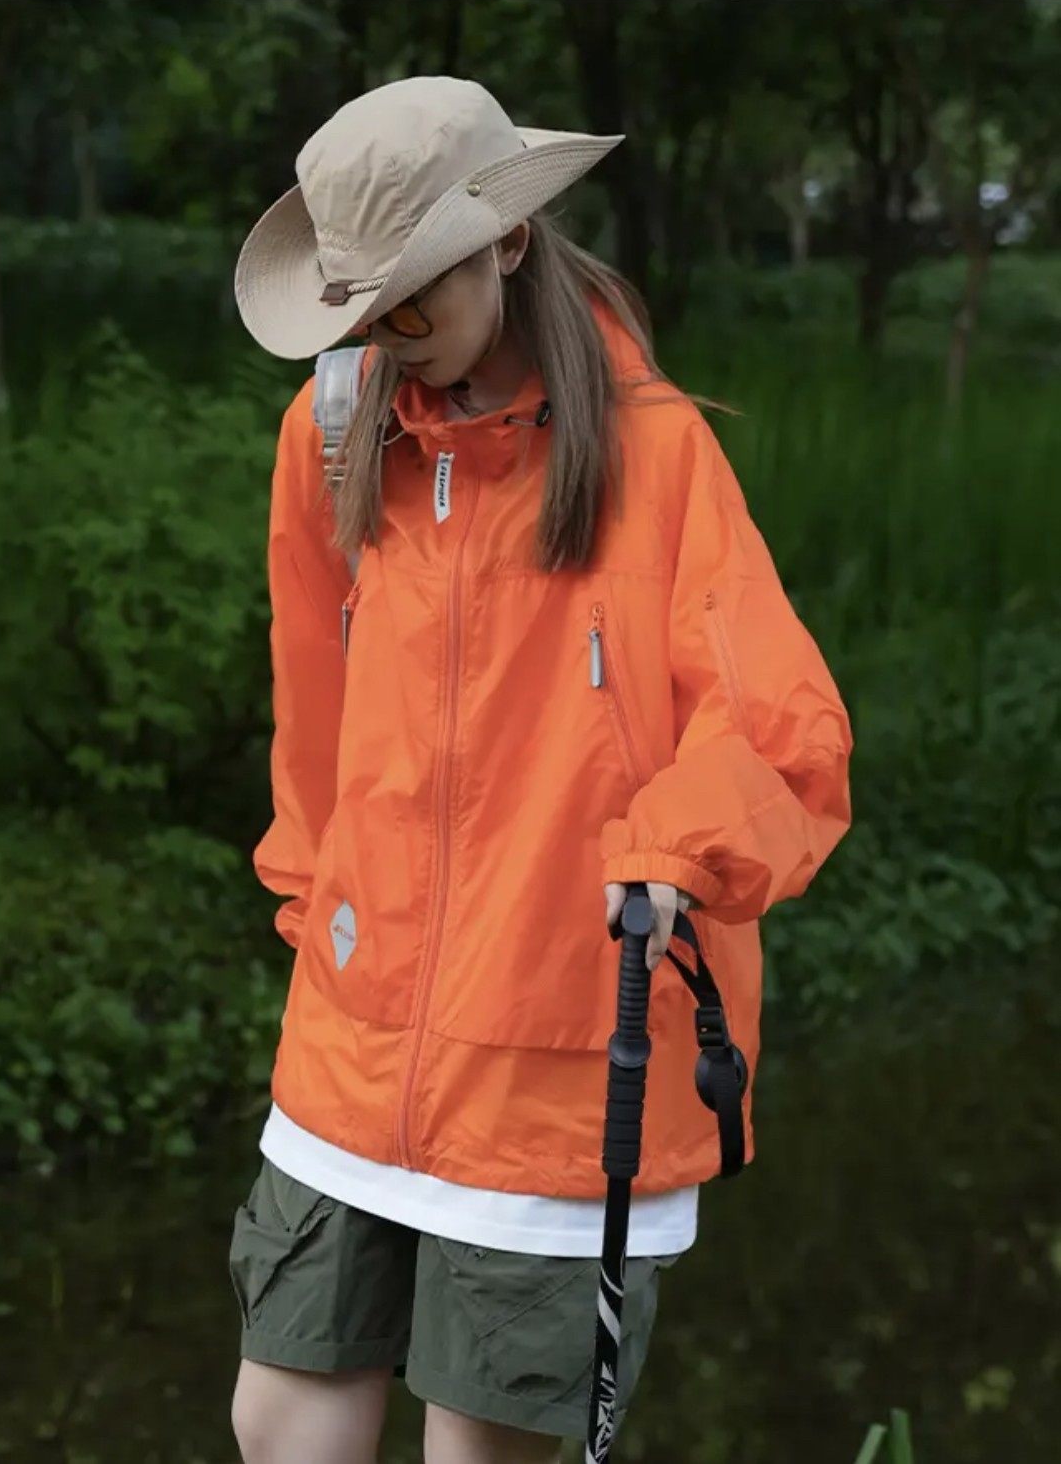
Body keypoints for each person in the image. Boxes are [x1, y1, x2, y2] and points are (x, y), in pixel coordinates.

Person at [228, 75, 854, 1464]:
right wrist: (314, 909)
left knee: (479, 1448)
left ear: (506, 242)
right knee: (279, 1424)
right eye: (359, 311)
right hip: (354, 1031)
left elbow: (782, 731)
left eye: (411, 305)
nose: (385, 342)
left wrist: (676, 846)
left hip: (558, 1056)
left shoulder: (655, 452)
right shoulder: (330, 435)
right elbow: (312, 714)